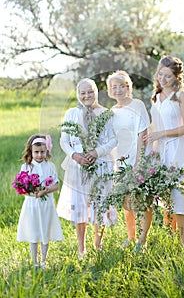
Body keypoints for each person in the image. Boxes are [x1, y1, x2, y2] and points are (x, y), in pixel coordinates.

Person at [57, 78, 117, 258]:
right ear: (78, 94)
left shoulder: (106, 113)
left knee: (100, 203)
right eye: (83, 93)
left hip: (100, 164)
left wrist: (97, 152)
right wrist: (75, 156)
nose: (86, 96)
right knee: (80, 205)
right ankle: (81, 248)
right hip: (78, 166)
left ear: (96, 92)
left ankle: (97, 244)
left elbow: (113, 139)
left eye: (90, 91)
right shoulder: (71, 114)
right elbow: (64, 140)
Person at [144, 55, 184, 247]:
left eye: (167, 76)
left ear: (176, 77)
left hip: (178, 150)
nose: (162, 79)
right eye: (160, 75)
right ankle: (171, 235)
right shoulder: (156, 97)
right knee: (166, 196)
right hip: (161, 150)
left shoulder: (181, 96)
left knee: (180, 195)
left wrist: (161, 134)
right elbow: (154, 125)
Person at [106, 70, 152, 252]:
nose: (117, 90)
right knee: (127, 203)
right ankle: (131, 237)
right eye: (113, 87)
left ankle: (142, 240)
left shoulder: (137, 105)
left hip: (138, 159)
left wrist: (139, 162)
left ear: (128, 87)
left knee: (142, 201)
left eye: (121, 86)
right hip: (121, 161)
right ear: (110, 90)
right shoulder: (112, 111)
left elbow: (143, 133)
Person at [16, 134, 63, 268]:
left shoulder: (50, 166)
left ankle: (43, 260)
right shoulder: (26, 167)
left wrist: (45, 191)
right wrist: (33, 193)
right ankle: (35, 262)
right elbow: (22, 187)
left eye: (42, 152)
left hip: (46, 204)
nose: (39, 155)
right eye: (36, 152)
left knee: (45, 231)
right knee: (34, 231)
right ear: (31, 151)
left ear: (46, 151)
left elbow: (56, 185)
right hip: (32, 205)